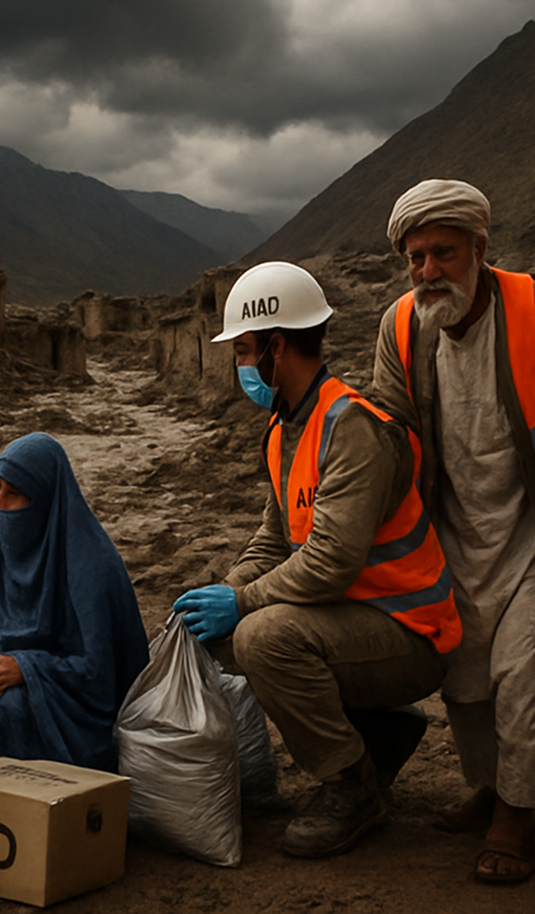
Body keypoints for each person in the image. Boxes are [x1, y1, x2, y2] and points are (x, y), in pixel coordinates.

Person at [370, 179, 535, 884]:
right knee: (467, 677)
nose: (428, 271)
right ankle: (488, 786)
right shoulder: (399, 326)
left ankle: (519, 814)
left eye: (443, 253)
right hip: (448, 537)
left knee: (525, 675)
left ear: (480, 250)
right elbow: (388, 431)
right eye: (415, 257)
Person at [174, 261, 461, 860]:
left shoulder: (349, 426)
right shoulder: (285, 428)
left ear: (278, 347)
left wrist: (244, 602)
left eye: (246, 351)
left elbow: (331, 561)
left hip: (410, 629)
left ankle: (352, 785)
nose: (241, 366)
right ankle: (378, 733)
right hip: (350, 621)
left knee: (262, 636)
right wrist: (225, 590)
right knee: (221, 634)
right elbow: (273, 539)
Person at [0, 432, 148, 772]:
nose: (0, 506)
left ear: (46, 498)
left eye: (15, 494)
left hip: (72, 709)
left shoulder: (88, 564)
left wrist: (27, 668)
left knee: (10, 707)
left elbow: (101, 674)